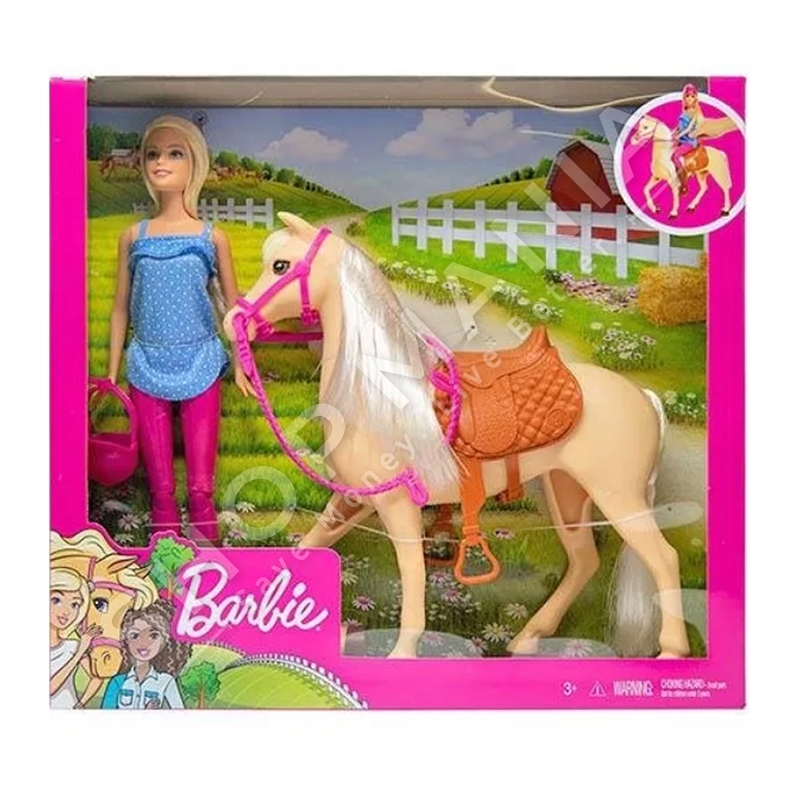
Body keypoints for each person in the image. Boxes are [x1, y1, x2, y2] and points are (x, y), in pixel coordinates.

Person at [107, 115, 254, 544]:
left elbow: (233, 308)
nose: (160, 162)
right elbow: (120, 308)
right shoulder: (134, 236)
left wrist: (242, 364)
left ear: (195, 163)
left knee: (201, 488)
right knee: (161, 489)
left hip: (201, 360)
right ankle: (164, 566)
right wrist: (112, 373)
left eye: (175, 154)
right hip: (146, 363)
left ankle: (209, 564)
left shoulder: (211, 237)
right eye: (152, 154)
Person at [101, 600, 191, 709]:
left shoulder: (166, 682)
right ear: (126, 640)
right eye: (135, 635)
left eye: (153, 636)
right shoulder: (117, 682)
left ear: (164, 641)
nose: (144, 643)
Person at [50, 568, 102, 709]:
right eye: (56, 600)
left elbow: (97, 678)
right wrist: (79, 652)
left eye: (75, 605)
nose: (67, 611)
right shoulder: (78, 648)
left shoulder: (73, 646)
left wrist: (81, 703)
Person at [671, 84, 704, 188]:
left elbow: (689, 128)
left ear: (695, 98)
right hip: (681, 139)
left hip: (689, 141)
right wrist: (673, 132)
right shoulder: (684, 111)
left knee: (675, 157)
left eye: (692, 96)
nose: (689, 98)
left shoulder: (696, 112)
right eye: (687, 96)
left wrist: (679, 135)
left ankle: (683, 179)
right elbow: (680, 126)